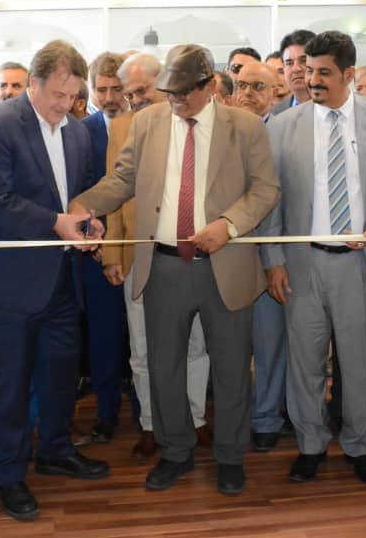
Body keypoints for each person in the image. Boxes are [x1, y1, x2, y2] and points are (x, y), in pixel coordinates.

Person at [72, 44, 279, 496]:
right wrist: (81, 205)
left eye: (184, 93)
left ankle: (230, 456)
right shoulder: (147, 121)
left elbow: (266, 190)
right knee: (163, 366)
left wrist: (228, 225)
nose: (176, 102)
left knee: (230, 368)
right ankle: (175, 450)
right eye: (169, 93)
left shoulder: (245, 126)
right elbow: (123, 180)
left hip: (225, 265)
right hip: (162, 265)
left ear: (210, 85)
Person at [259, 31, 366, 487]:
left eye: (324, 72)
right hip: (301, 264)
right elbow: (270, 199)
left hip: (360, 264)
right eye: (308, 70)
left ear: (349, 74)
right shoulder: (283, 125)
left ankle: (360, 446)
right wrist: (273, 260)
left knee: (357, 363)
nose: (313, 80)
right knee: (305, 363)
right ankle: (310, 445)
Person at [0, 40, 110, 522]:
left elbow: (77, 195)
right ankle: (9, 474)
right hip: (7, 286)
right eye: (56, 94)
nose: (64, 105)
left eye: (73, 96)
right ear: (33, 82)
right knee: (9, 387)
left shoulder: (77, 132)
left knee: (60, 376)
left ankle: (55, 449)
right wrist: (55, 223)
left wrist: (89, 222)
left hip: (62, 279)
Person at [103, 54, 214, 459]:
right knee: (143, 348)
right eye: (128, 93)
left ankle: (195, 419)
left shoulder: (201, 121)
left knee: (195, 344)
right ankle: (151, 423)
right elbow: (114, 192)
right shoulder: (122, 127)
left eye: (141, 90)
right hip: (140, 255)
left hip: (192, 254)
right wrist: (112, 252)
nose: (133, 99)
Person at [233, 62, 290, 452]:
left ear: (275, 92)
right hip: (226, 255)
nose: (248, 93)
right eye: (241, 85)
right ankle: (233, 415)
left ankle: (266, 417)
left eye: (258, 86)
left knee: (270, 343)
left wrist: (274, 258)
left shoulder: (285, 133)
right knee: (229, 346)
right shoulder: (219, 131)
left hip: (273, 254)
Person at [79, 53, 130, 443]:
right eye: (102, 89)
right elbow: (76, 192)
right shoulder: (80, 133)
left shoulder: (148, 125)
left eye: (117, 89)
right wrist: (93, 240)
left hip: (141, 248)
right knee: (104, 339)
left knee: (146, 342)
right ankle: (107, 413)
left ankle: (149, 416)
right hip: (95, 255)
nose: (110, 97)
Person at [270, 29, 316, 115]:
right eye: (289, 63)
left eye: (304, 61)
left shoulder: (334, 108)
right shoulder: (275, 113)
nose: (296, 69)